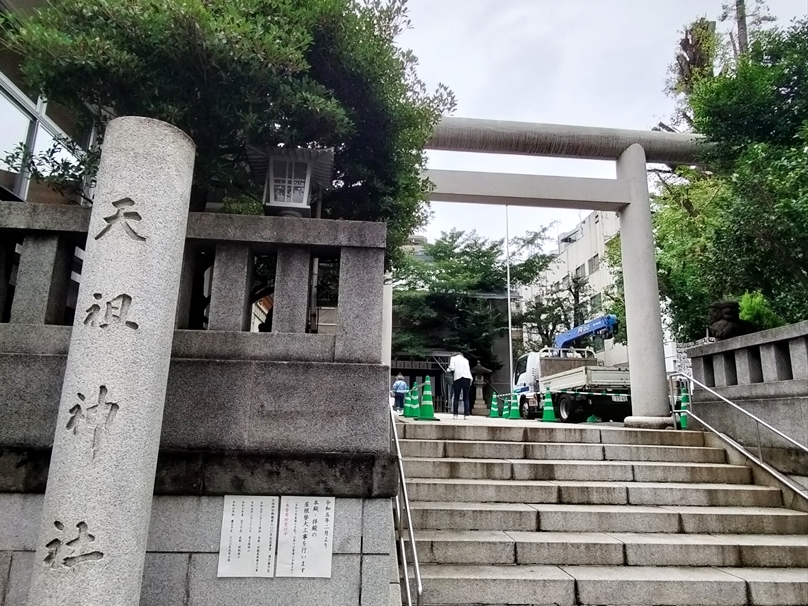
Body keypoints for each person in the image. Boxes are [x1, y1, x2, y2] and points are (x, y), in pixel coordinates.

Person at [448, 351, 473, 419]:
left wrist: (448, 369)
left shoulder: (453, 358)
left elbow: (452, 368)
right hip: (467, 378)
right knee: (466, 398)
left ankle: (455, 415)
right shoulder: (466, 360)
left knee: (456, 397)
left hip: (458, 378)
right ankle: (466, 415)